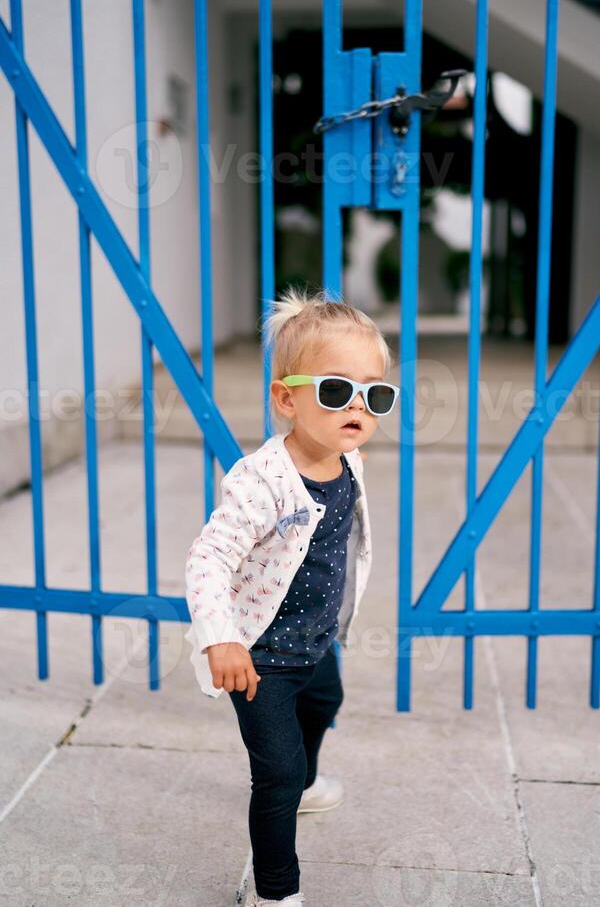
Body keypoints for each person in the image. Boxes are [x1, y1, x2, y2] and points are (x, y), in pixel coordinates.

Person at [183, 286, 399, 906]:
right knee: (273, 773)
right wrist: (220, 637)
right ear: (287, 399)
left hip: (316, 642)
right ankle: (275, 890)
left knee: (326, 701)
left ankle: (304, 782)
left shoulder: (346, 460)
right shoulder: (261, 482)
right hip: (260, 658)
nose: (357, 408)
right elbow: (209, 556)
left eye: (374, 394)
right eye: (335, 391)